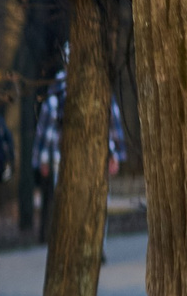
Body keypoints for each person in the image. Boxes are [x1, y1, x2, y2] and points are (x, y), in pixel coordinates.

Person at [31, 51, 127, 241]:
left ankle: (89, 243)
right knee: (88, 203)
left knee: (84, 204)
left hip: (79, 157)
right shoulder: (68, 87)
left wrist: (42, 158)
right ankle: (88, 242)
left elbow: (110, 121)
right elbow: (48, 126)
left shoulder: (61, 87)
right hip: (75, 157)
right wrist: (115, 153)